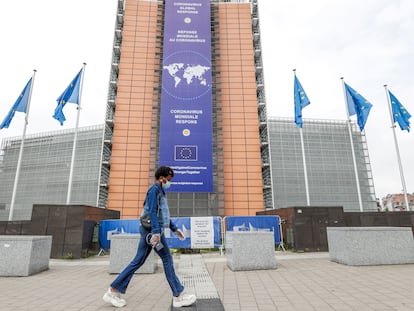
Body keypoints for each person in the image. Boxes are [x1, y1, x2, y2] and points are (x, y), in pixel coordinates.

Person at [103, 166, 196, 308]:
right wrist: (156, 232)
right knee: (166, 259)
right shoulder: (154, 190)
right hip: (152, 232)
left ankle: (113, 290)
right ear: (161, 178)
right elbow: (152, 212)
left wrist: (175, 229)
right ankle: (178, 296)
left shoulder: (160, 191)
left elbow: (162, 215)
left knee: (138, 261)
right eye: (169, 179)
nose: (169, 182)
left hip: (152, 231)